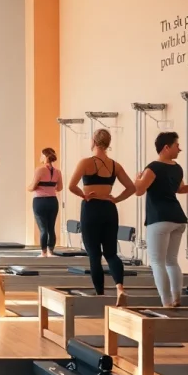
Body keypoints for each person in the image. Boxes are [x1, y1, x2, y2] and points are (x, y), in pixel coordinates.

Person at [133, 131, 188, 307]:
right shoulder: (176, 168)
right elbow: (181, 189)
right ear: (166, 147)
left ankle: (167, 302)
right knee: (171, 261)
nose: (180, 149)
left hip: (160, 219)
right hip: (178, 219)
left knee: (157, 262)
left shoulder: (153, 167)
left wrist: (137, 179)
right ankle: (176, 298)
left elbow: (139, 190)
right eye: (177, 145)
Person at [66, 128, 136, 306]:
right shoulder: (115, 165)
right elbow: (131, 188)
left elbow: (71, 186)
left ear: (94, 142)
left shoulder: (85, 162)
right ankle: (120, 288)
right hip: (109, 208)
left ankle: (100, 294)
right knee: (111, 253)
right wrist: (116, 199)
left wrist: (83, 195)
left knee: (94, 254)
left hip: (91, 208)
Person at [28, 147, 63, 257]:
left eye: (41, 155)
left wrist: (28, 187)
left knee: (43, 229)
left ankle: (43, 253)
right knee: (51, 228)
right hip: (53, 201)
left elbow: (32, 187)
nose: (40, 157)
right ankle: (50, 251)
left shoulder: (40, 170)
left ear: (45, 157)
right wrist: (50, 187)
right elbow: (60, 188)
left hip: (40, 202)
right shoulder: (58, 172)